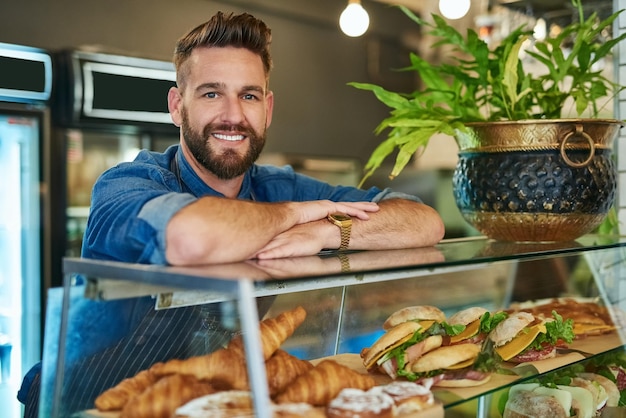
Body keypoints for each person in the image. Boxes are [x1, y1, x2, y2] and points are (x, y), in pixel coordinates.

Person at [20, 11, 443, 417]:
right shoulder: (128, 184)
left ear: (268, 108)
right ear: (176, 105)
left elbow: (425, 221)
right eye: (211, 93)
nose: (233, 115)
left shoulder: (275, 185)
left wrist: (329, 232)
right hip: (86, 406)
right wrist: (297, 213)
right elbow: (191, 238)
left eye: (249, 95)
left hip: (201, 404)